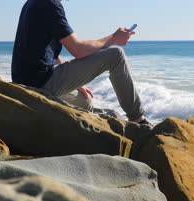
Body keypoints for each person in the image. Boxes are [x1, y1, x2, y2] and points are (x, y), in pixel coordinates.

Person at [11, 0, 150, 124]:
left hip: (27, 81)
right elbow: (78, 50)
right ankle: (137, 119)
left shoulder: (33, 3)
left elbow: (45, 50)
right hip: (40, 83)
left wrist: (74, 81)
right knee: (115, 55)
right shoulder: (50, 4)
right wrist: (113, 38)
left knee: (85, 102)